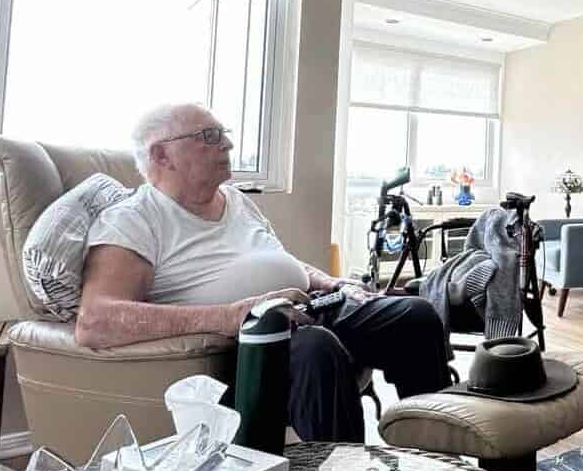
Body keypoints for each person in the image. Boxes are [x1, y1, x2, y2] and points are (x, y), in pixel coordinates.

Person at [75, 103, 449, 443]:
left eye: (224, 135)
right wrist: (230, 315)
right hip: (249, 342)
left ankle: (433, 458)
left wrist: (333, 283)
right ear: (161, 154)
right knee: (316, 349)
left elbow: (277, 260)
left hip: (311, 306)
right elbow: (96, 320)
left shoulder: (235, 200)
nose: (226, 146)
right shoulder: (134, 219)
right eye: (209, 137)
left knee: (415, 316)